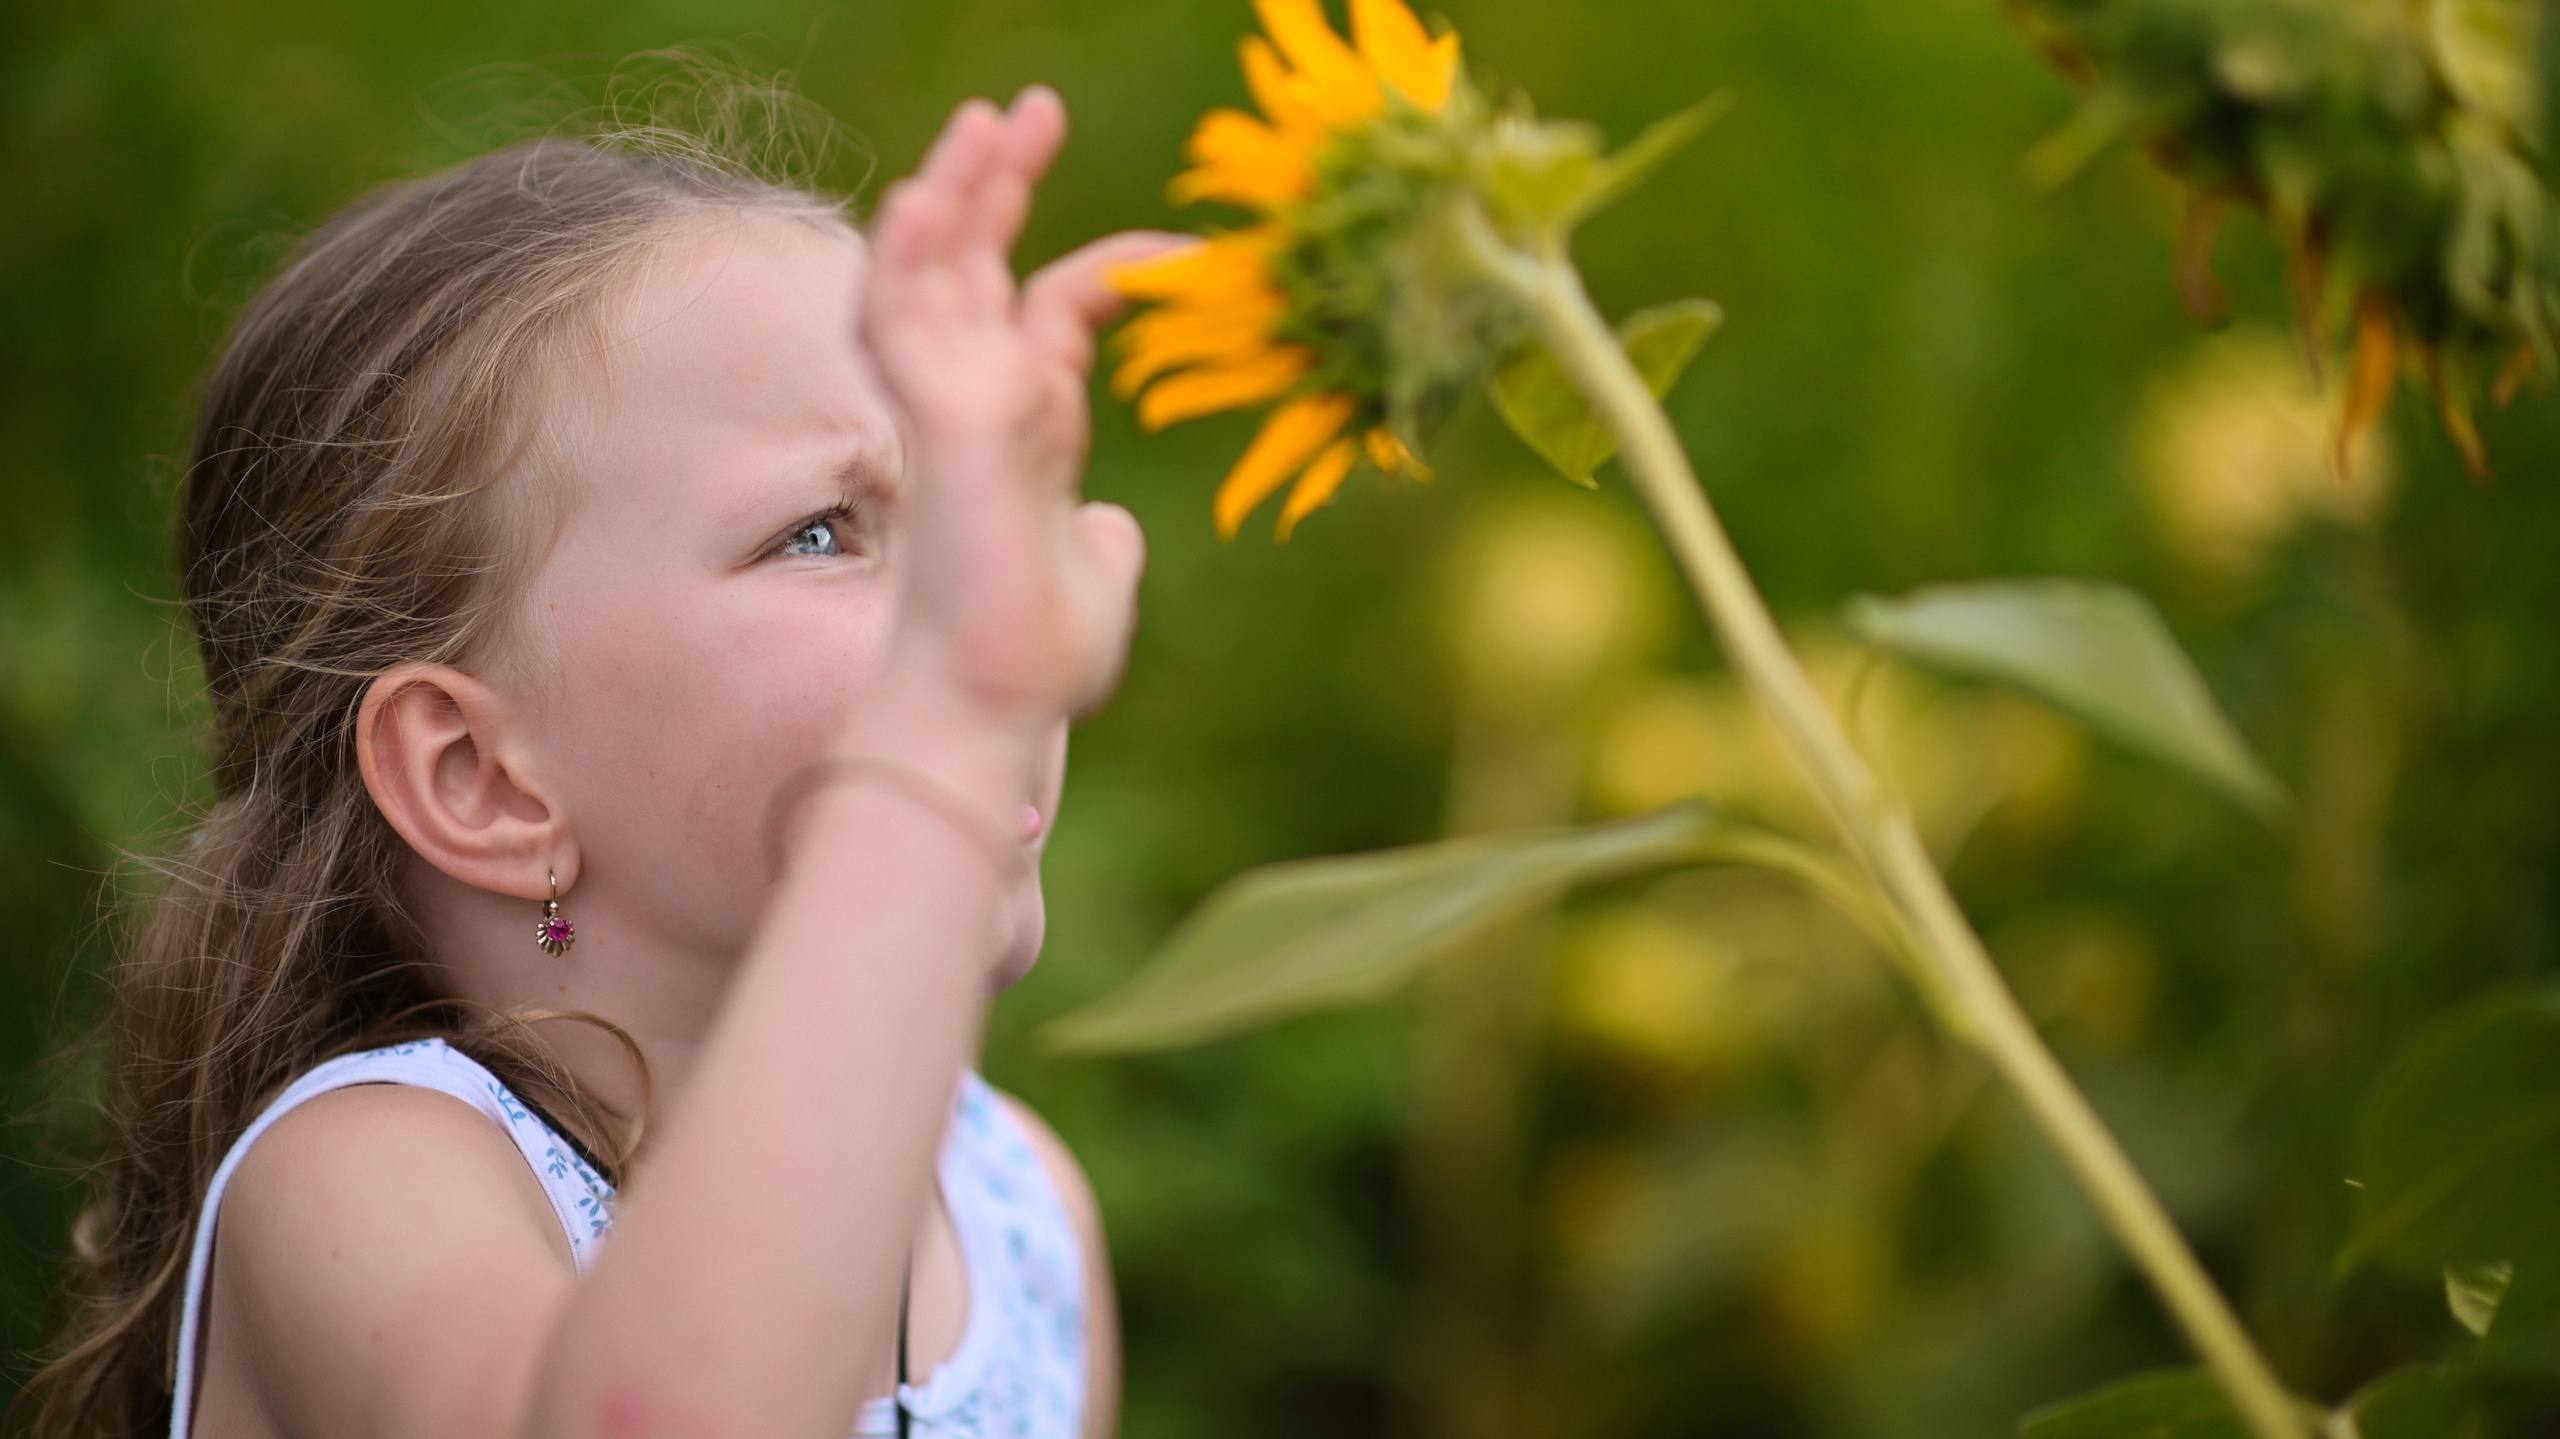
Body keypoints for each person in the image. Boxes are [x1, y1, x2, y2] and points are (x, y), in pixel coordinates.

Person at [28, 77, 1176, 1439]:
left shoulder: (1022, 1214)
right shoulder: (369, 1187)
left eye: (973, 510)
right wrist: (947, 733)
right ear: (483, 781)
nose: (988, 592)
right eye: (821, 530)